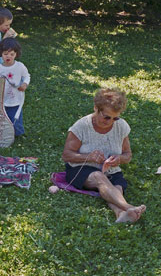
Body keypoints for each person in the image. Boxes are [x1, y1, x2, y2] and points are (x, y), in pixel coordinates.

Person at [61, 88, 146, 223]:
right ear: (96, 108)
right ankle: (129, 207)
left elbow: (128, 155)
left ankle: (120, 213)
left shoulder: (121, 126)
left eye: (115, 118)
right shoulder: (82, 126)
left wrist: (119, 159)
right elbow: (66, 155)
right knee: (99, 177)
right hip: (80, 169)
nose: (110, 121)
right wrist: (88, 157)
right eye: (106, 117)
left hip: (111, 170)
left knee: (116, 188)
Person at [0, 37, 30, 136]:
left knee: (15, 120)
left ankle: (17, 135)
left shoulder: (20, 66)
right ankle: (4, 135)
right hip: (2, 102)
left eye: (12, 54)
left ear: (16, 54)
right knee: (2, 121)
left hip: (16, 101)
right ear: (0, 54)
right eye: (5, 54)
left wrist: (25, 83)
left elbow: (27, 76)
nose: (8, 56)